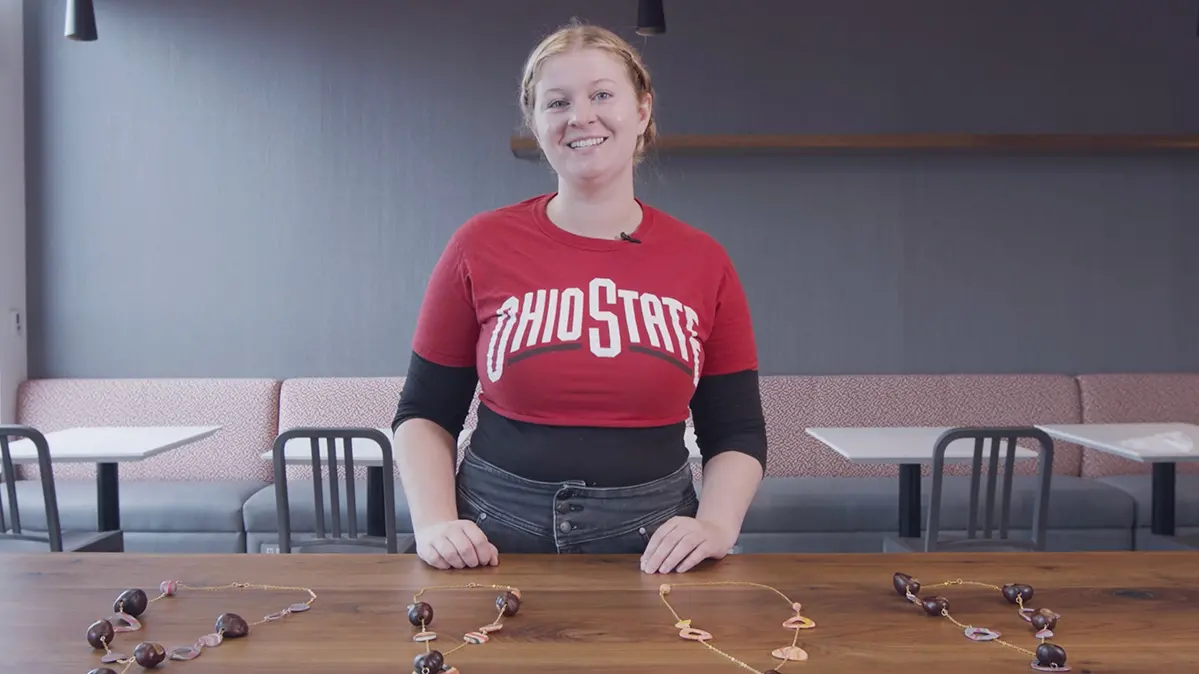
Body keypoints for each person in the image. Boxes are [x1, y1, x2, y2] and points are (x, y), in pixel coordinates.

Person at [391, 20, 767, 574]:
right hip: (491, 536)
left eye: (602, 95)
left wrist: (716, 524)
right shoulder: (479, 244)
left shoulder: (704, 261)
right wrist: (434, 524)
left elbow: (735, 430)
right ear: (537, 123)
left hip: (657, 545)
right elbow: (424, 412)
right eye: (557, 101)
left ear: (642, 111)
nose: (580, 116)